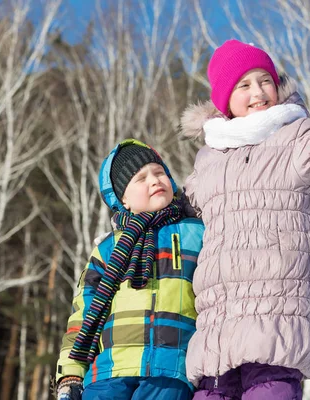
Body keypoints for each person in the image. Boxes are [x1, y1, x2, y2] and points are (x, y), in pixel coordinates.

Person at [180, 39, 310, 399]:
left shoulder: (297, 136)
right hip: (217, 327)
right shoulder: (209, 158)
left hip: (278, 319)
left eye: (265, 80)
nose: (259, 91)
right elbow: (180, 212)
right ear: (224, 99)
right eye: (244, 85)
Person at [55, 139, 205, 400]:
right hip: (108, 371)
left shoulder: (195, 233)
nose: (154, 180)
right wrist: (70, 373)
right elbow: (84, 312)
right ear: (123, 199)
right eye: (141, 178)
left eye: (160, 173)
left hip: (170, 370)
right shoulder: (108, 249)